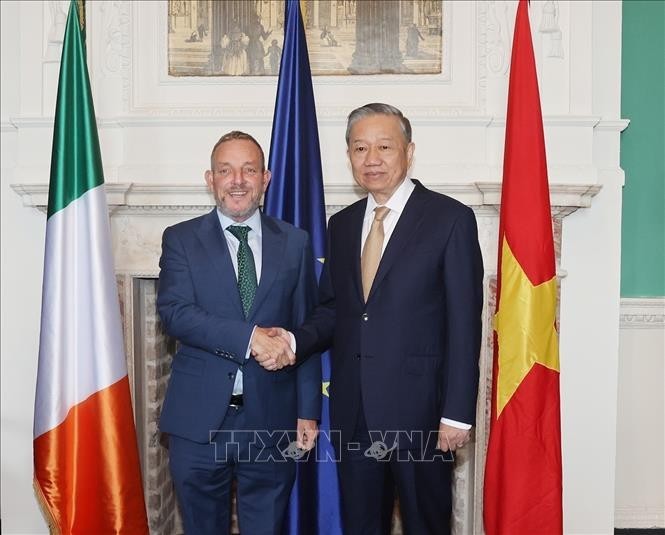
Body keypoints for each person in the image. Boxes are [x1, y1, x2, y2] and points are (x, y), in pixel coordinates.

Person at [263, 103, 484, 534]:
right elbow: (334, 309)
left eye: (385, 146)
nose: (372, 159)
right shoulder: (342, 224)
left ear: (409, 150)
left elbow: (464, 323)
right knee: (362, 524)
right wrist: (292, 340)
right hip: (355, 413)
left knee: (427, 524)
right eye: (360, 148)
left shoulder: (450, 219)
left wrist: (457, 413)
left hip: (422, 414)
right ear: (349, 156)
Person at [157, 131, 321, 534]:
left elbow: (307, 328)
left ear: (265, 178)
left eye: (249, 170)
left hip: (272, 420)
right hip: (198, 424)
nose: (238, 180)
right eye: (225, 170)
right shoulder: (180, 239)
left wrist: (308, 410)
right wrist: (251, 338)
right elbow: (175, 314)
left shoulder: (295, 242)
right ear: (210, 179)